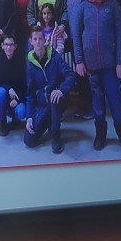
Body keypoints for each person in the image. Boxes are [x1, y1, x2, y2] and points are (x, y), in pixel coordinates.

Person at [71, 0, 121, 151]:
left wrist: (120, 62)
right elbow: (76, 35)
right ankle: (100, 134)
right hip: (90, 65)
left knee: (115, 100)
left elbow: (120, 35)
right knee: (97, 101)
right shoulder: (83, 7)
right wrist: (79, 61)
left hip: (111, 65)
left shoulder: (113, 6)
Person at [24, 25, 76, 154]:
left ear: (45, 40)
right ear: (31, 41)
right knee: (29, 140)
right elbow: (30, 93)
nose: (38, 42)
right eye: (35, 39)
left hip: (57, 99)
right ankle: (50, 122)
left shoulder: (54, 55)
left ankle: (56, 134)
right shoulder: (29, 62)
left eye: (40, 39)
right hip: (42, 104)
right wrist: (29, 117)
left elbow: (70, 75)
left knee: (54, 98)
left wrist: (61, 90)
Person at [64, 0, 95, 121]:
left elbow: (88, 12)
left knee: (85, 72)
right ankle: (83, 103)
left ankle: (90, 106)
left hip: (83, 36)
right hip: (71, 35)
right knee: (79, 71)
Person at [0, 34, 27, 136]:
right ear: (2, 46)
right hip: (2, 95)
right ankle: (2, 122)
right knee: (1, 91)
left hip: (16, 96)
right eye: (6, 44)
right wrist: (9, 89)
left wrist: (18, 99)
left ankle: (15, 119)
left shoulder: (20, 61)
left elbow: (23, 83)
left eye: (11, 45)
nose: (9, 47)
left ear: (15, 46)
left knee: (21, 111)